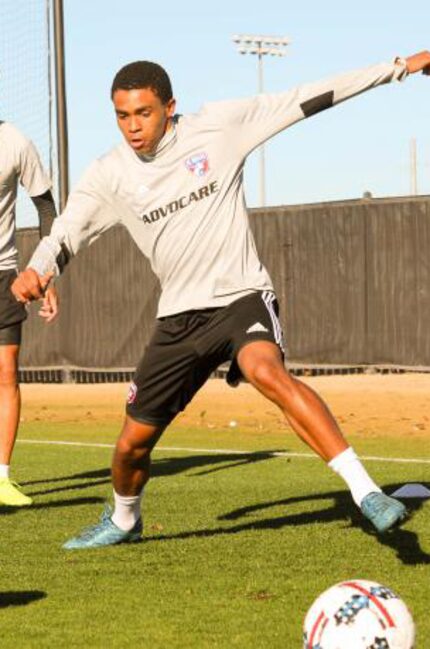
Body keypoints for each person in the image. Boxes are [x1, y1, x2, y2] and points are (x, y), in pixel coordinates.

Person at [12, 51, 430, 547]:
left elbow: (312, 95)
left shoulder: (219, 127)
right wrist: (39, 268)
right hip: (178, 321)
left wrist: (401, 67)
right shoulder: (109, 174)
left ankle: (367, 494)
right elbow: (67, 231)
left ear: (170, 107)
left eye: (143, 112)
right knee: (130, 448)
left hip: (240, 298)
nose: (133, 126)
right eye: (122, 115)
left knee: (265, 371)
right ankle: (124, 519)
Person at [0, 120, 58, 506]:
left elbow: (46, 207)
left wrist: (46, 274)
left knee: (6, 375)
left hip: (4, 276)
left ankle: (1, 478)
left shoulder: (15, 140)